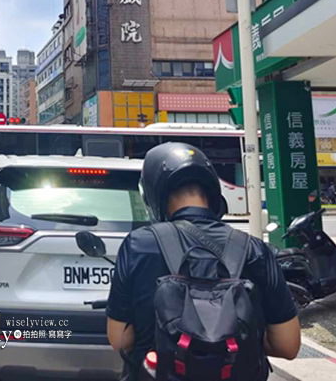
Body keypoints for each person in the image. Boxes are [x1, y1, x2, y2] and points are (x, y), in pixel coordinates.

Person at [106, 143, 301, 379]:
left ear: (152, 193)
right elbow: (288, 345)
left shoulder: (139, 244)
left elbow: (119, 339)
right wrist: (242, 338)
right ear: (212, 191)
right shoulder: (254, 249)